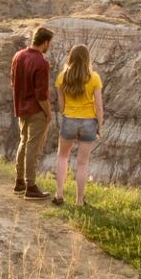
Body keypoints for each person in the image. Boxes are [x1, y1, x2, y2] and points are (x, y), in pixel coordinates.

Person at [53, 44, 103, 208]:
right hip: (89, 121)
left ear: (71, 57)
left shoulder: (63, 76)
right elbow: (99, 106)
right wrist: (99, 126)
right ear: (87, 59)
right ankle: (79, 201)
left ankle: (59, 194)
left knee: (62, 156)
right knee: (82, 163)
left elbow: (61, 103)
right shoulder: (94, 77)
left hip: (69, 119)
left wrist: (66, 115)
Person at [9, 26, 54, 199]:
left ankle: (19, 182)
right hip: (36, 110)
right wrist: (48, 113)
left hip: (21, 108)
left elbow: (13, 82)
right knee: (33, 148)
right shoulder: (41, 63)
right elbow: (41, 95)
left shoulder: (18, 56)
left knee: (23, 142)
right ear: (45, 42)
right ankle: (31, 186)